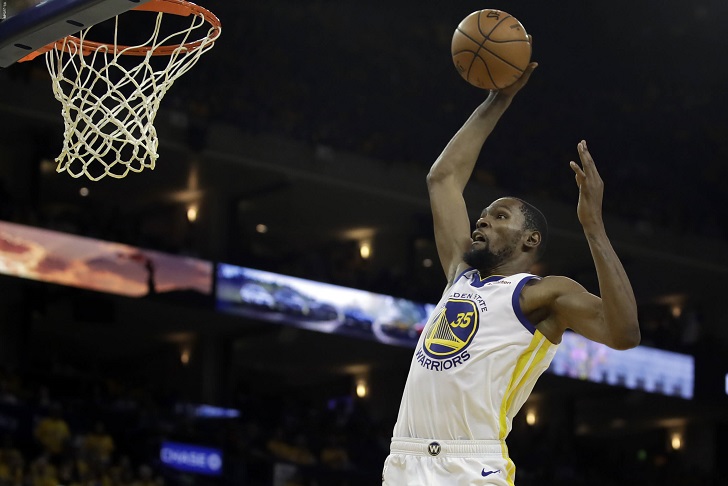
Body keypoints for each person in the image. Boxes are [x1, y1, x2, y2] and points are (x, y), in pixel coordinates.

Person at [381, 60, 641, 485]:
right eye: (482, 216)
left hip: (470, 465)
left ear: (531, 240)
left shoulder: (543, 294)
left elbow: (624, 333)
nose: (481, 221)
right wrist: (499, 98)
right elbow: (443, 178)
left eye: (498, 216)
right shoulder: (460, 274)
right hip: (403, 460)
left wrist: (594, 227)